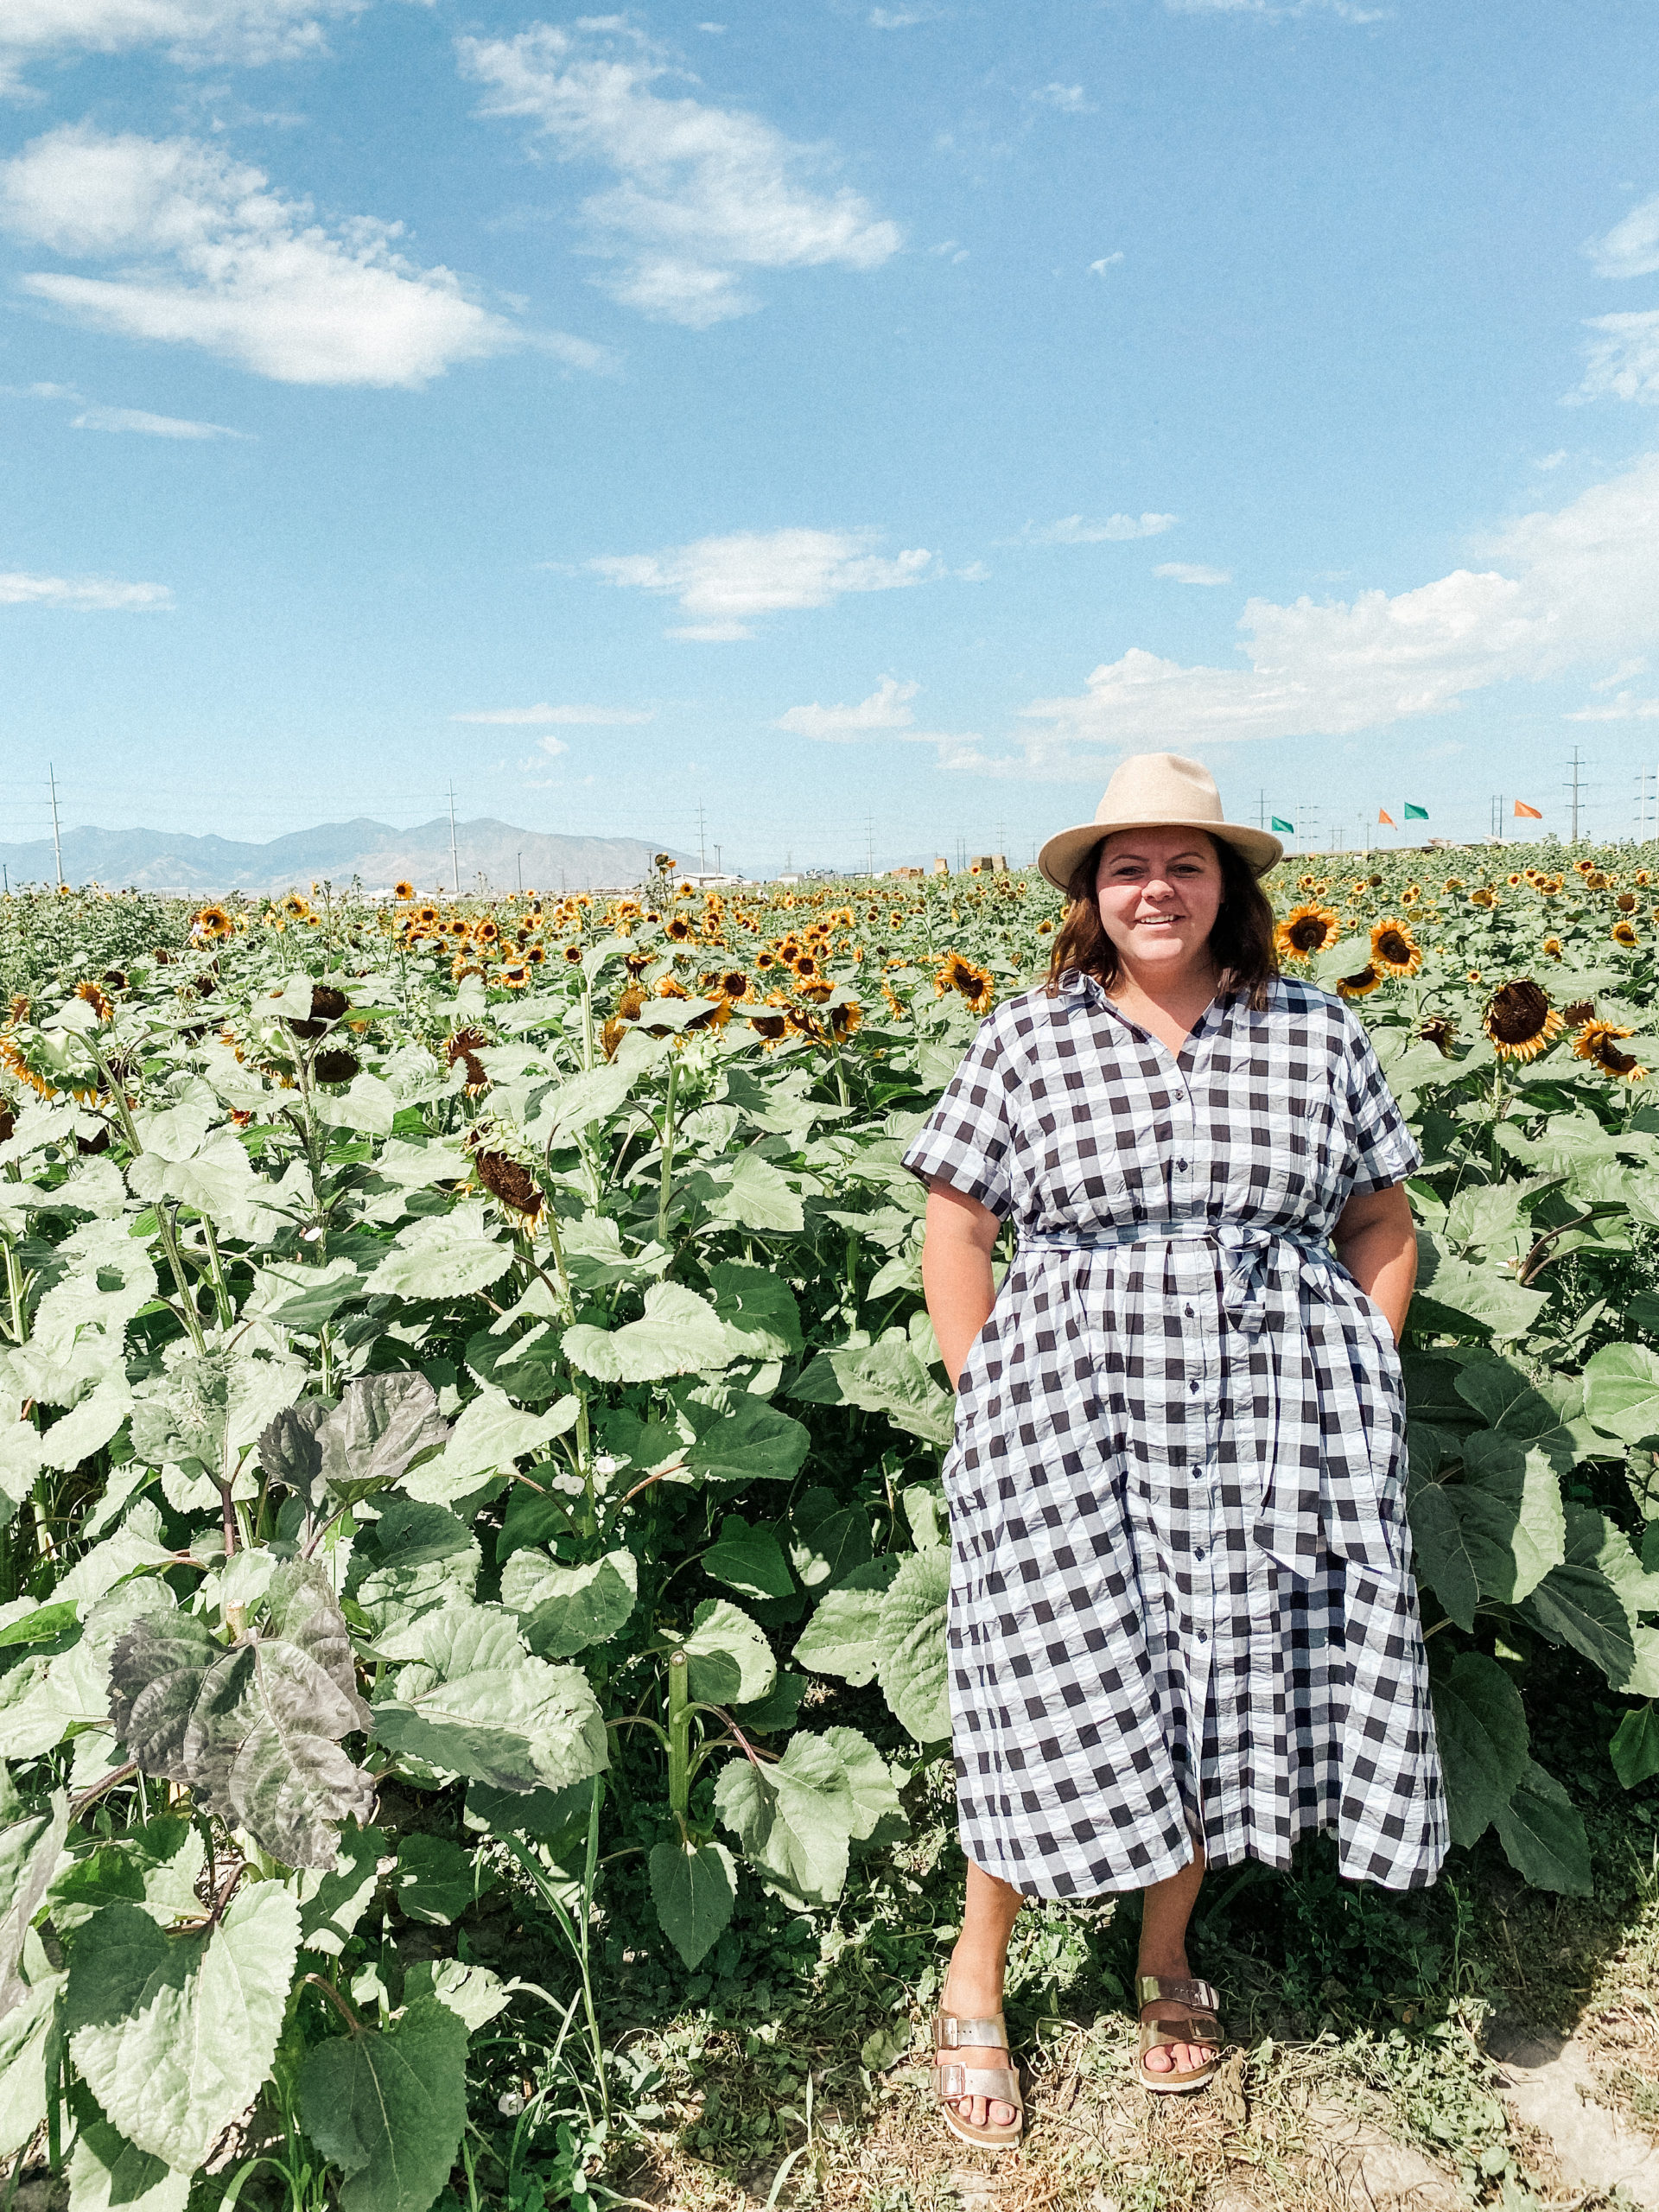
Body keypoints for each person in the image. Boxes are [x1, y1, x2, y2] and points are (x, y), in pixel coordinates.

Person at [902, 753, 1445, 2150]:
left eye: (1187, 864)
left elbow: (1383, 1222)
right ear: (1093, 893)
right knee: (1043, 1664)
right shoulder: (1027, 1038)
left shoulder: (1316, 1034)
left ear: (1231, 886)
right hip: (1069, 1409)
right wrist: (987, 1390)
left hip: (1268, 1415)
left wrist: (1364, 1367)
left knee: (1217, 1665)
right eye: (1129, 866)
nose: (1159, 888)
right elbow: (957, 1227)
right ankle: (979, 1968)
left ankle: (1164, 1958)